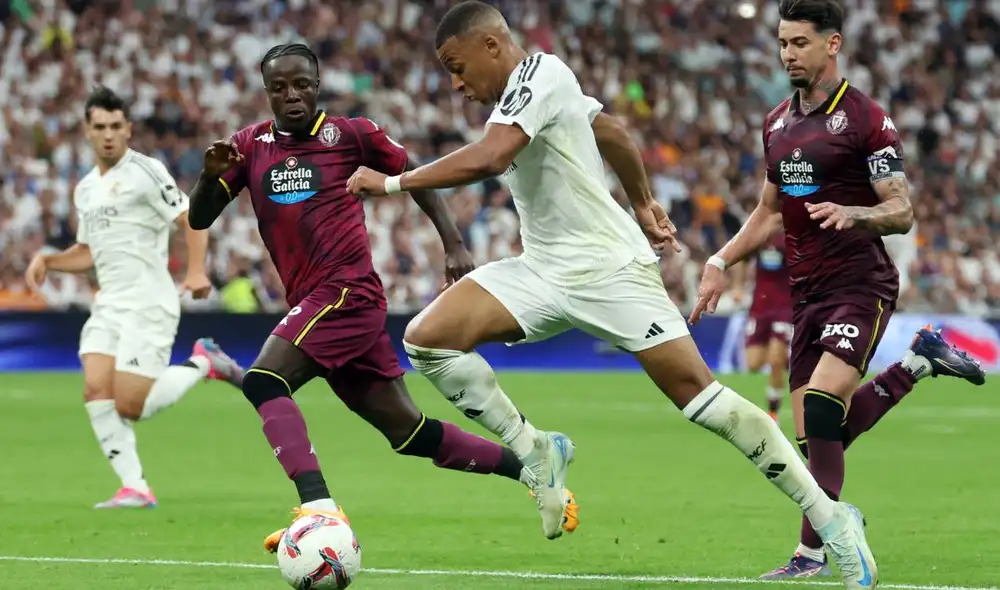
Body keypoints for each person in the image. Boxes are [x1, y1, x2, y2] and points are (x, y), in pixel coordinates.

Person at [346, 2, 879, 585]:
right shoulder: (522, 95)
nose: (455, 83)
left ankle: (831, 521)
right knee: (427, 340)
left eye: (457, 65)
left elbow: (493, 157)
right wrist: (645, 200)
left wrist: (394, 182)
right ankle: (536, 451)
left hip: (610, 272)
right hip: (543, 271)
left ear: (492, 45)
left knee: (704, 402)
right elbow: (613, 133)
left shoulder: (540, 75)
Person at [186, 43, 576, 550]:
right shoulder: (251, 145)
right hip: (316, 303)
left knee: (263, 382)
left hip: (346, 292)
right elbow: (199, 218)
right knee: (409, 435)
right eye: (280, 87)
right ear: (267, 93)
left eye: (302, 84)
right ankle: (535, 469)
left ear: (318, 85)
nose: (293, 95)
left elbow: (415, 176)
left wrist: (452, 243)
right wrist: (208, 175)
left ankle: (319, 511)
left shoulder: (351, 134)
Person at [690, 0, 986, 581]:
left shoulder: (865, 118)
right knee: (817, 438)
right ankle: (917, 364)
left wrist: (856, 213)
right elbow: (769, 211)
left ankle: (814, 554)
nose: (787, 54)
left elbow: (902, 209)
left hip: (861, 282)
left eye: (800, 42)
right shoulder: (776, 122)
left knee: (823, 408)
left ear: (832, 44)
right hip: (807, 292)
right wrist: (721, 257)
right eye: (782, 42)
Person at [25, 87, 245, 509]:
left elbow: (192, 219)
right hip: (109, 301)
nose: (108, 135)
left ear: (128, 129)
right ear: (87, 132)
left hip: (148, 299)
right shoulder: (86, 188)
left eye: (115, 126)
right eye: (99, 127)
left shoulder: (147, 171)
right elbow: (88, 252)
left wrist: (196, 270)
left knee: (130, 405)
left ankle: (204, 362)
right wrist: (51, 262)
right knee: (94, 388)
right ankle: (135, 487)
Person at [732, 234, 793, 423]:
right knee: (753, 364)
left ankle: (773, 414)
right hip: (760, 306)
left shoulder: (792, 232)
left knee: (775, 360)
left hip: (786, 305)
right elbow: (741, 257)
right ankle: (791, 358)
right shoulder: (761, 231)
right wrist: (738, 286)